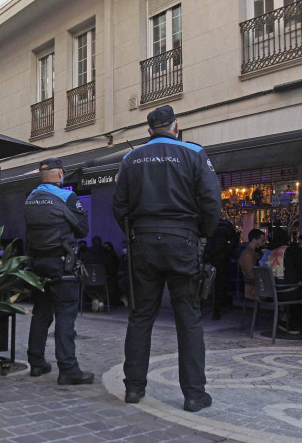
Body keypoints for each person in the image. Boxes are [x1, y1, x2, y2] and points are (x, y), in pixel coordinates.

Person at [113, 105, 221, 412]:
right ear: (176, 127)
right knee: (188, 318)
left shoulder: (130, 159)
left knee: (140, 316)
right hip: (183, 241)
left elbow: (118, 206)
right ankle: (194, 395)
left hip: (143, 243)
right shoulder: (194, 154)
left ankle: (134, 388)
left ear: (149, 131)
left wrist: (133, 233)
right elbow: (212, 203)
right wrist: (201, 234)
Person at [24, 157, 94, 385]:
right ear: (61, 175)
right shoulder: (67, 197)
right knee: (65, 314)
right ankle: (68, 368)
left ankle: (36, 362)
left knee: (41, 312)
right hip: (62, 264)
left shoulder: (30, 198)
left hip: (38, 265)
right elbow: (83, 229)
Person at [266, 228, 302, 334]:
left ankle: (285, 320)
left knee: (295, 289)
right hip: (289, 293)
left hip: (272, 292)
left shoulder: (269, 253)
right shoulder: (292, 251)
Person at [203, 218, 239, 320]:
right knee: (219, 285)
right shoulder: (224, 224)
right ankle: (216, 311)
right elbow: (234, 240)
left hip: (208, 256)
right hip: (219, 257)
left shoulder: (205, 221)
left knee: (203, 282)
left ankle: (207, 309)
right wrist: (226, 253)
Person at [81, 235, 109, 311]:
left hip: (89, 280)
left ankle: (94, 298)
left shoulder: (87, 254)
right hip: (102, 280)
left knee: (84, 284)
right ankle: (101, 300)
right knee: (106, 285)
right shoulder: (106, 253)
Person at [239, 229, 266, 302]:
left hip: (255, 286)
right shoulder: (248, 254)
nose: (263, 243)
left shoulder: (251, 252)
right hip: (254, 289)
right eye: (262, 241)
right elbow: (251, 275)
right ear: (254, 240)